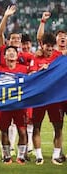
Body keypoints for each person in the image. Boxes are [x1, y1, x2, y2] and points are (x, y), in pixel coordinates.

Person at [30, 33, 64, 165]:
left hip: (55, 98)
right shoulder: (36, 58)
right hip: (39, 98)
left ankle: (55, 156)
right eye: (47, 46)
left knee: (58, 127)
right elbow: (31, 74)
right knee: (36, 127)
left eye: (51, 46)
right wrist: (40, 70)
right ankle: (39, 156)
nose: (49, 49)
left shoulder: (59, 57)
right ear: (42, 46)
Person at [0, 46, 29, 165]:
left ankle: (21, 156)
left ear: (17, 55)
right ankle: (7, 156)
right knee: (4, 130)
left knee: (22, 130)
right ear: (4, 56)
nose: (11, 53)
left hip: (20, 105)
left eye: (13, 52)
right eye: (8, 51)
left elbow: (34, 78)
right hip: (5, 104)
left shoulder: (24, 69)